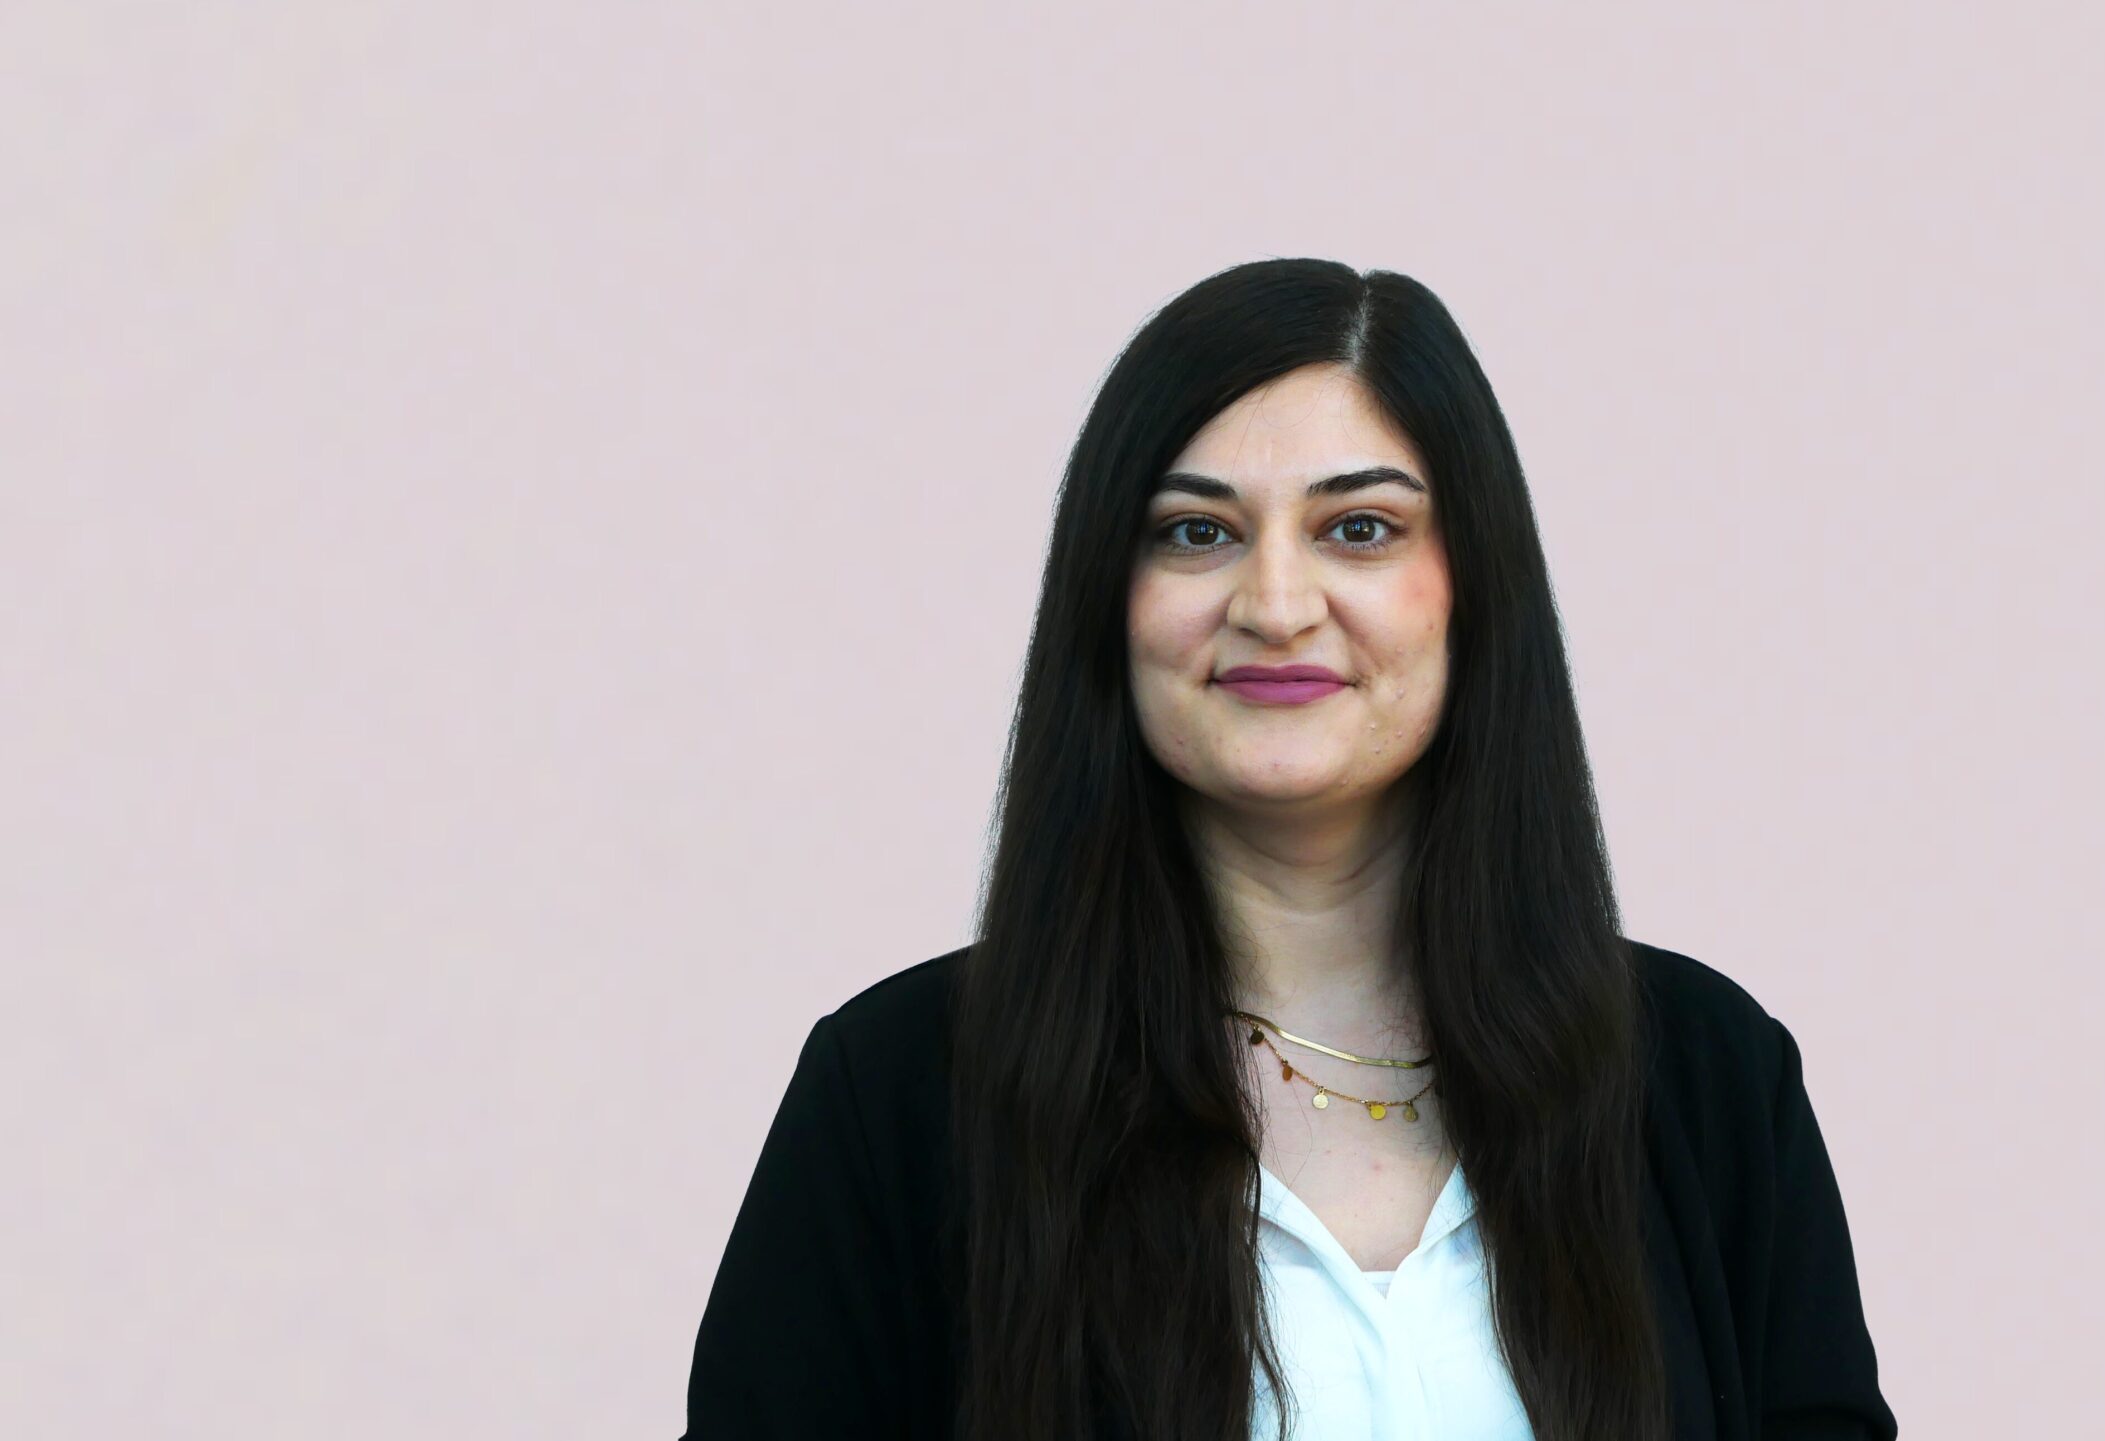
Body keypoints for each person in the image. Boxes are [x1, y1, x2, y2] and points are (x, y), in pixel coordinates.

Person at [678, 258, 1896, 1440]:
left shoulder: (1708, 1080)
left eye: (1359, 528)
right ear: (1109, 599)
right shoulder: (896, 1095)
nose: (1273, 604)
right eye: (1195, 533)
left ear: (1472, 589)